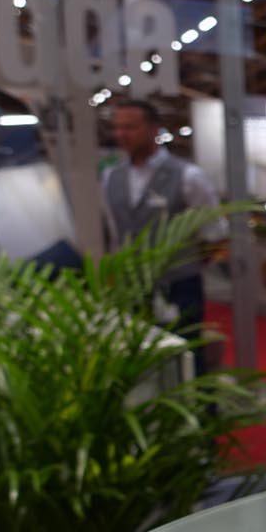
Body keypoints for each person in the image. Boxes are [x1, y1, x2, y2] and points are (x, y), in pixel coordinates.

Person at [101, 99, 223, 373]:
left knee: (186, 353)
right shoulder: (111, 177)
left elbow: (214, 232)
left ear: (154, 129)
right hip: (132, 285)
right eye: (117, 127)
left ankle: (195, 401)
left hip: (180, 285)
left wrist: (185, 265)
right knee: (139, 356)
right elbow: (116, 233)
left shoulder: (188, 176)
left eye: (130, 127)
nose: (121, 134)